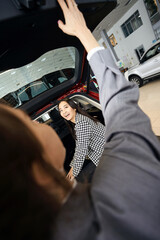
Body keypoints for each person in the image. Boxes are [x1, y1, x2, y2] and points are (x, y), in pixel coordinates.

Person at [0, 0, 160, 239]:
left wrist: (72, 172)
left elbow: (81, 148)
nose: (36, 122)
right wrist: (83, 33)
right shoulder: (125, 174)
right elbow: (121, 105)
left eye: (64, 108)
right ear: (36, 170)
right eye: (28, 124)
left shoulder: (82, 123)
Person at [58, 98, 105, 183]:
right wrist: (72, 167)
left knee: (78, 180)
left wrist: (73, 172)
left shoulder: (81, 123)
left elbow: (81, 150)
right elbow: (79, 147)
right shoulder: (81, 119)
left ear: (74, 108)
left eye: (66, 107)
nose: (64, 112)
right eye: (61, 110)